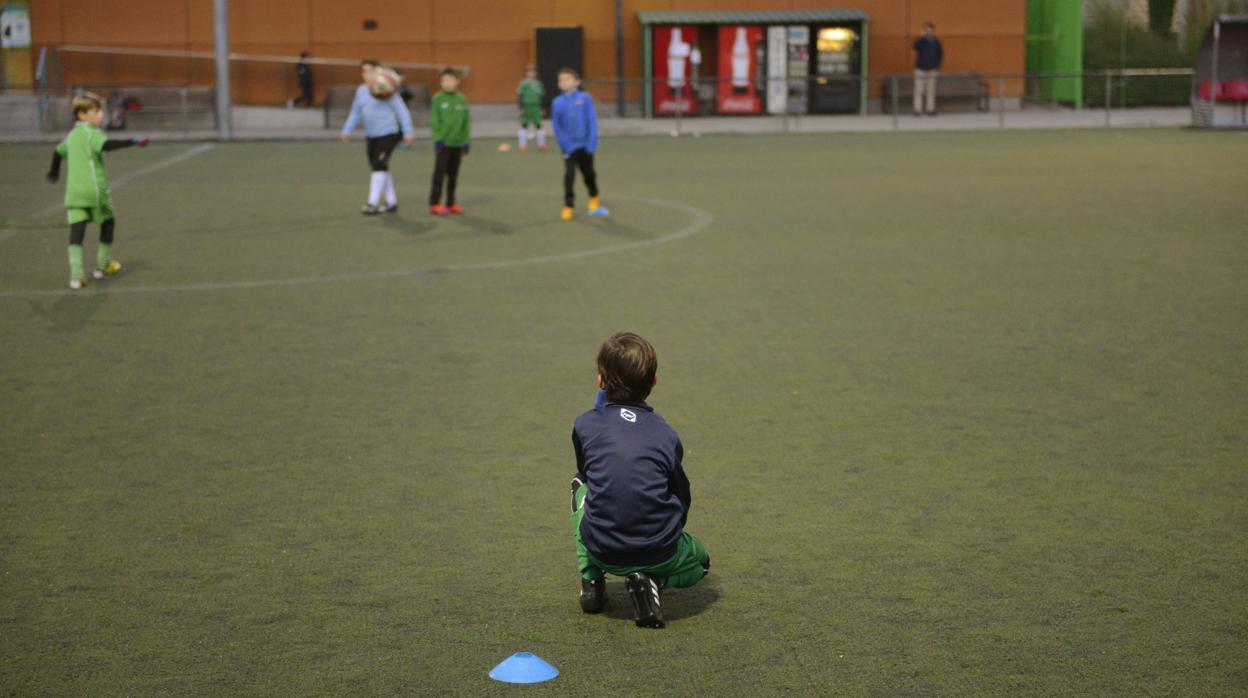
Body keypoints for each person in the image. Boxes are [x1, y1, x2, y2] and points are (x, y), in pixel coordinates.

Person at [569, 332, 710, 629]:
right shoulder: (665, 433)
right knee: (701, 564)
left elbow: (587, 472)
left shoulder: (585, 424)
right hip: (660, 549)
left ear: (600, 381)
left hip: (602, 548)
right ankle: (652, 579)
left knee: (578, 488)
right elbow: (682, 495)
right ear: (654, 382)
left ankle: (591, 578)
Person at [45, 92, 148, 290]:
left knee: (77, 231)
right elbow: (106, 145)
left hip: (74, 194)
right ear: (82, 115)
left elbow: (58, 152)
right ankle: (102, 266)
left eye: (101, 110)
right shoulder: (93, 134)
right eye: (96, 111)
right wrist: (131, 142)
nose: (101, 114)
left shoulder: (72, 135)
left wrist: (54, 171)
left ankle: (76, 276)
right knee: (108, 222)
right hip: (95, 192)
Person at [341, 59, 415, 215]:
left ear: (378, 71)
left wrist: (408, 131)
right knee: (379, 167)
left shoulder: (387, 88)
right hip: (371, 135)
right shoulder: (361, 91)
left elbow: (401, 111)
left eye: (370, 70)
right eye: (364, 71)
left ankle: (372, 203)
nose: (366, 74)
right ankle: (391, 202)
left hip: (389, 133)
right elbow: (356, 112)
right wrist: (347, 129)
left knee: (379, 165)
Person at [551, 68, 607, 221]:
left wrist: (591, 144)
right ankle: (568, 206)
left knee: (589, 174)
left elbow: (591, 121)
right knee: (569, 175)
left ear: (577, 82)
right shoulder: (557, 102)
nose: (564, 82)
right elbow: (557, 127)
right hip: (569, 148)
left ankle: (594, 199)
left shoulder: (585, 98)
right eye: (561, 80)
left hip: (585, 145)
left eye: (567, 79)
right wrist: (566, 146)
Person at [428, 67, 471, 216]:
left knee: (453, 175)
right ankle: (434, 203)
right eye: (443, 80)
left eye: (449, 80)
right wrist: (438, 139)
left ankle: (451, 202)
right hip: (443, 144)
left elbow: (466, 122)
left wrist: (466, 141)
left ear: (457, 82)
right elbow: (434, 121)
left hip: (457, 144)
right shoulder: (437, 99)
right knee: (439, 174)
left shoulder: (462, 99)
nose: (445, 83)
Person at [912, 22, 943, 117]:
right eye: (926, 30)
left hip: (932, 70)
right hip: (920, 69)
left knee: (931, 91)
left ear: (933, 31)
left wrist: (937, 65)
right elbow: (914, 46)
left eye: (930, 30)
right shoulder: (921, 41)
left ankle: (930, 109)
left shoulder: (936, 42)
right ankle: (917, 110)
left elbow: (940, 54)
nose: (928, 32)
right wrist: (922, 37)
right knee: (919, 90)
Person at [516, 64, 547, 153]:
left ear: (536, 73)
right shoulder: (523, 83)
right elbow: (520, 96)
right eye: (529, 71)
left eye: (533, 71)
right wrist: (520, 108)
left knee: (539, 125)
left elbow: (542, 97)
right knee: (524, 125)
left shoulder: (539, 84)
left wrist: (543, 108)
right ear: (526, 73)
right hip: (526, 107)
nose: (531, 73)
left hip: (536, 107)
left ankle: (541, 145)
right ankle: (522, 145)